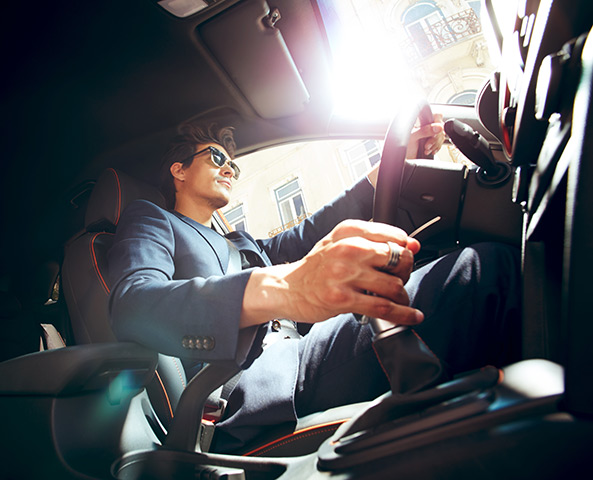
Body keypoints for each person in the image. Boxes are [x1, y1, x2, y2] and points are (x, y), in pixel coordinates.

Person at [107, 121, 521, 453]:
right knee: (479, 273)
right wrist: (285, 288)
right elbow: (133, 304)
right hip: (243, 388)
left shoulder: (244, 243)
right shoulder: (152, 219)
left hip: (299, 352)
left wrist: (382, 176)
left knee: (456, 271)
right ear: (179, 170)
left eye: (234, 162)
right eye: (216, 157)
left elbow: (310, 232)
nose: (229, 167)